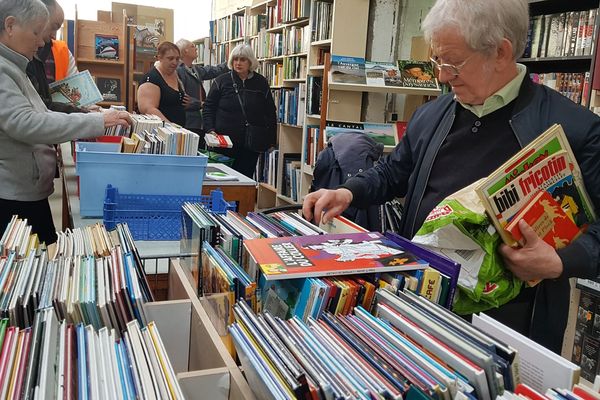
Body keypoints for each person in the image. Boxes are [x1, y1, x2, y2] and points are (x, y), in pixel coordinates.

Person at [302, 0, 600, 354]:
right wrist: (348, 193)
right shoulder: (432, 114)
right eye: (437, 61)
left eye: (452, 63)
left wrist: (560, 261)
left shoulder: (576, 129)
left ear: (501, 52)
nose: (442, 76)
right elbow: (394, 172)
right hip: (423, 298)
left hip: (508, 324)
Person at [0, 0, 132, 245]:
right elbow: (25, 123)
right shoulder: (4, 69)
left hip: (26, 193)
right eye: (37, 32)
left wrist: (90, 118)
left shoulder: (16, 66)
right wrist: (96, 121)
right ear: (10, 26)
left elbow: (42, 113)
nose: (42, 42)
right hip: (14, 199)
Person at [202, 44, 277, 178]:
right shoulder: (221, 81)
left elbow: (270, 112)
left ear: (250, 61)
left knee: (245, 180)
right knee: (222, 180)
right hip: (225, 143)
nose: (238, 63)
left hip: (251, 143)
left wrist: (271, 140)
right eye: (235, 59)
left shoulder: (261, 82)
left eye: (243, 59)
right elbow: (208, 107)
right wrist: (210, 129)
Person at [27, 0, 83, 113]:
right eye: (53, 27)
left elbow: (78, 92)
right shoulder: (21, 54)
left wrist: (85, 112)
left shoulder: (61, 50)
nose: (54, 35)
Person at [175, 38, 228, 135]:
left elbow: (213, 71)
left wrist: (230, 62)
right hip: (188, 122)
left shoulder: (194, 69)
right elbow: (182, 99)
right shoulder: (179, 71)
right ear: (185, 51)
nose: (196, 48)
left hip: (198, 121)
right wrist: (201, 104)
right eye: (192, 46)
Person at [137, 41, 187, 126]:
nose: (175, 62)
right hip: (160, 131)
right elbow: (148, 109)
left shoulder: (177, 75)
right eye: (170, 58)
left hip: (177, 131)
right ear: (159, 58)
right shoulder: (152, 78)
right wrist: (170, 126)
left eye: (177, 59)